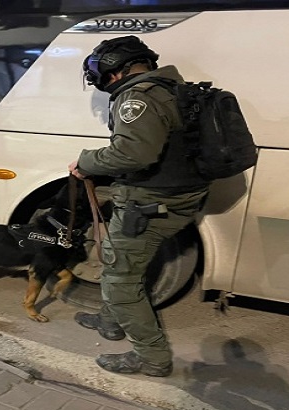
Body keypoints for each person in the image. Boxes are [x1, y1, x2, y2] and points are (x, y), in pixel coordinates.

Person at [68, 36, 210, 377]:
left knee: (120, 277)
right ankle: (110, 321)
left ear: (113, 68)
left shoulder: (138, 97)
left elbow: (133, 155)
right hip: (176, 196)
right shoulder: (175, 89)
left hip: (150, 203)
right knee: (123, 262)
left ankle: (152, 358)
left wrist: (86, 162)